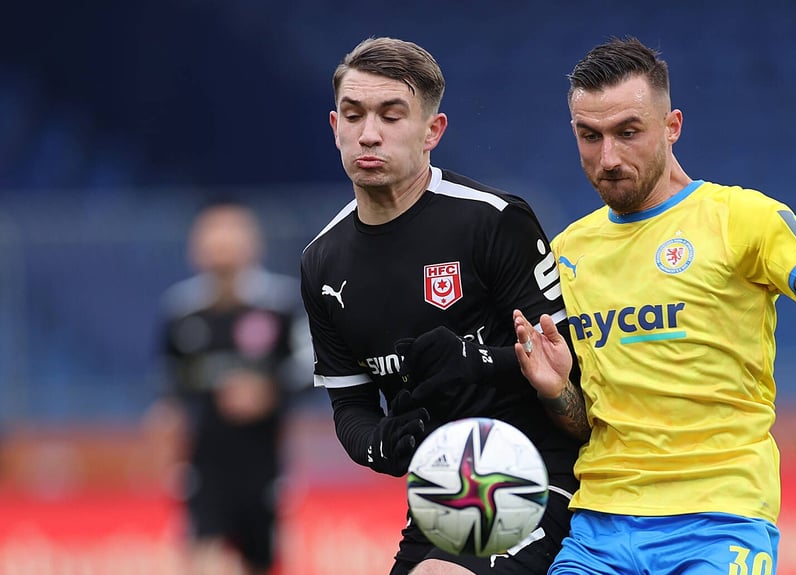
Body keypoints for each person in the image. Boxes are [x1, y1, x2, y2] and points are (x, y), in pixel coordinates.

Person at [512, 37, 796, 575]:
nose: (608, 158)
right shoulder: (566, 254)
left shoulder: (741, 217)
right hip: (600, 524)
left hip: (719, 519)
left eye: (628, 133)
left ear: (672, 126)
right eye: (590, 136)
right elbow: (581, 424)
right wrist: (558, 391)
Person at [299, 37, 585, 575]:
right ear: (333, 126)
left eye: (391, 115)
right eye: (353, 114)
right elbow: (351, 408)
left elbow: (571, 366)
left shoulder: (495, 221)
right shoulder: (321, 262)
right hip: (441, 493)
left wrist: (478, 362)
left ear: (433, 131)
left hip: (535, 472)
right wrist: (379, 445)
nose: (368, 133)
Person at [147, 202, 312, 575]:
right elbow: (168, 385)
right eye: (212, 234)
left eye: (231, 233)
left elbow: (311, 370)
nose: (221, 244)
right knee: (203, 556)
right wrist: (165, 423)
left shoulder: (281, 306)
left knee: (261, 561)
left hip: (264, 462)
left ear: (252, 242)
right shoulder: (181, 311)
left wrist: (268, 391)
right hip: (204, 464)